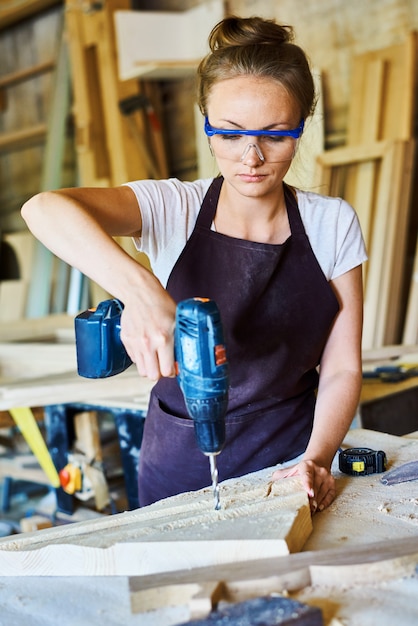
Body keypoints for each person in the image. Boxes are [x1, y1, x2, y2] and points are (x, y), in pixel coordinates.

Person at [21, 15, 367, 513]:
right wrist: (141, 292)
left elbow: (341, 368)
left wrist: (317, 457)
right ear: (205, 125)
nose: (251, 156)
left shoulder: (331, 224)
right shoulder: (172, 209)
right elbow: (43, 208)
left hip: (290, 459)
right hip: (177, 462)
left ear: (301, 126)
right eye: (229, 134)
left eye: (275, 135)